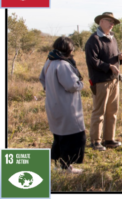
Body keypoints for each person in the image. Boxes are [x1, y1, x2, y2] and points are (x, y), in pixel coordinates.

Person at [39, 36, 85, 174]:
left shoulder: (48, 62)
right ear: (68, 49)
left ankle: (59, 166)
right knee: (72, 138)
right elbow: (72, 85)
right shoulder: (63, 64)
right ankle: (66, 168)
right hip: (67, 108)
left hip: (53, 106)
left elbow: (42, 80)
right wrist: (80, 84)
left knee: (59, 137)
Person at [85, 12, 122, 151]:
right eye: (109, 21)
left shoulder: (112, 38)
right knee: (99, 112)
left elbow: (113, 57)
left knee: (112, 111)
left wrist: (120, 57)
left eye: (113, 22)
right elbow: (92, 61)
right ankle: (96, 141)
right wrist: (108, 66)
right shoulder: (94, 39)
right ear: (101, 21)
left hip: (114, 80)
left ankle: (109, 139)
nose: (112, 24)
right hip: (100, 81)